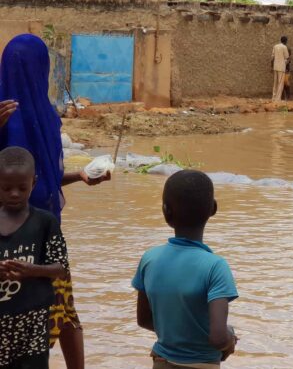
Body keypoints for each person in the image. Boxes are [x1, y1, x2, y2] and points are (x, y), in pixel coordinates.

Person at [0, 34, 110, 369]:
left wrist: (79, 175)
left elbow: (37, 177)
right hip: (15, 235)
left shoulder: (46, 116)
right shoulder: (4, 115)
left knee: (59, 304)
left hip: (43, 232)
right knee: (57, 306)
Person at [133, 170, 238, 369]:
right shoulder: (216, 266)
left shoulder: (149, 259)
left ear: (166, 211)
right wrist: (230, 337)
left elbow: (144, 320)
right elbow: (218, 338)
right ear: (213, 208)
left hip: (162, 362)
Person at [0, 147, 70, 369]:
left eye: (22, 188)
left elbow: (61, 267)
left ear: (34, 182)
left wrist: (33, 270)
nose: (14, 194)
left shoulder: (45, 223)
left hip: (33, 321)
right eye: (6, 188)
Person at [271, 36, 290, 103]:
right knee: (280, 83)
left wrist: (271, 66)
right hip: (281, 68)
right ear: (285, 41)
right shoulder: (284, 47)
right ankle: (277, 99)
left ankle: (273, 97)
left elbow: (272, 58)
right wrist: (286, 63)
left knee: (275, 83)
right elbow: (287, 57)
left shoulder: (275, 46)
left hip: (275, 67)